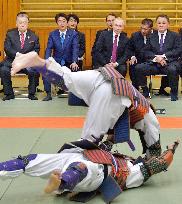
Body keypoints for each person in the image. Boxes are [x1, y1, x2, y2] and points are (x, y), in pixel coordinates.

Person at [11, 52, 161, 159]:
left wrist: (106, 146)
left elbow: (113, 133)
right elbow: (154, 152)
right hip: (114, 95)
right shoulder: (147, 119)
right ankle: (64, 164)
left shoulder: (139, 101)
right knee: (89, 141)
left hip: (102, 76)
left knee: (66, 78)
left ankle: (36, 61)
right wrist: (151, 162)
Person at [0, 140, 179, 203]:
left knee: (81, 169)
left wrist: (172, 148)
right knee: (29, 159)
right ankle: (4, 168)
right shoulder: (120, 156)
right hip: (77, 156)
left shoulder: (135, 172)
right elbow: (106, 143)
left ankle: (61, 183)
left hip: (100, 174)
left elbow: (161, 163)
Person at [135, 14, 182, 101]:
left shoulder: (175, 36)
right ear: (156, 24)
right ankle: (145, 91)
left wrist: (164, 57)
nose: (161, 25)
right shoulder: (151, 36)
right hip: (154, 64)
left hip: (169, 64)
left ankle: (174, 93)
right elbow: (145, 51)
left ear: (168, 24)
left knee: (173, 69)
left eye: (163, 23)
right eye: (159, 23)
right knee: (138, 68)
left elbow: (178, 50)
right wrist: (156, 58)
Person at [0, 12, 40, 101]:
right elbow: (7, 48)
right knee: (3, 70)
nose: (22, 24)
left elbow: (36, 50)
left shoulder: (34, 36)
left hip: (27, 62)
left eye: (25, 22)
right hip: (12, 61)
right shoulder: (10, 34)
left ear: (28, 23)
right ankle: (9, 93)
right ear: (16, 23)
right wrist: (18, 56)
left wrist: (25, 58)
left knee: (33, 70)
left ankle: (32, 93)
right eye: (20, 22)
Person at [43, 13, 79, 101]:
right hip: (57, 61)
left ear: (67, 23)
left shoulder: (73, 34)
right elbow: (49, 48)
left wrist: (74, 61)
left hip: (69, 61)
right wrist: (47, 60)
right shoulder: (53, 34)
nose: (62, 23)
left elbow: (75, 48)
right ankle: (48, 94)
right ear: (57, 23)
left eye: (64, 21)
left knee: (76, 70)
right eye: (59, 21)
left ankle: (75, 94)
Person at [127, 18, 154, 97]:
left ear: (151, 29)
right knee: (133, 64)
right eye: (141, 28)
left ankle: (144, 87)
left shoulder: (155, 35)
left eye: (145, 29)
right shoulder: (135, 35)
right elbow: (129, 48)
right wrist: (132, 56)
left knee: (142, 67)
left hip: (151, 59)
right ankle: (135, 88)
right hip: (138, 58)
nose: (143, 31)